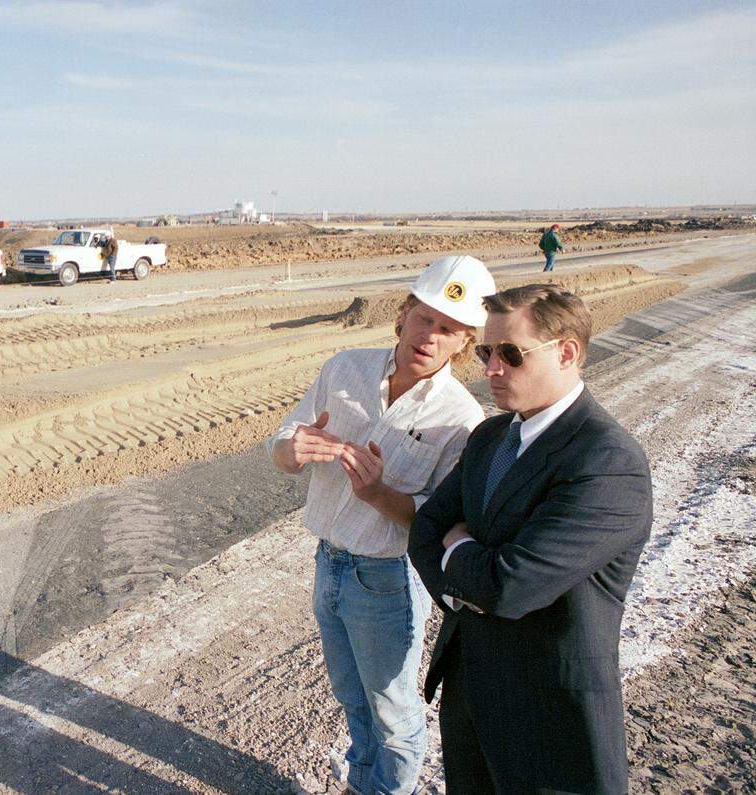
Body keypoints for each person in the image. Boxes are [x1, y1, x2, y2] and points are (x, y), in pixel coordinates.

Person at [408, 284, 653, 794]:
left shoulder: (606, 463)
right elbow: (426, 529)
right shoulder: (491, 438)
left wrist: (460, 549)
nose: (491, 369)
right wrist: (465, 574)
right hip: (471, 693)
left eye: (511, 354)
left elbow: (510, 585)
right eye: (486, 352)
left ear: (568, 352)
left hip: (547, 719)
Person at [270, 255, 497, 794]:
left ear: (465, 342)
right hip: (328, 563)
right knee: (350, 695)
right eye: (425, 318)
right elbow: (281, 442)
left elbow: (438, 523)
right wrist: (291, 450)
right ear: (404, 312)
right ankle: (363, 782)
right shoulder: (343, 367)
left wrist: (377, 493)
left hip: (389, 579)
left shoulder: (462, 420)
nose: (431, 337)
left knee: (393, 713)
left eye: (449, 329)